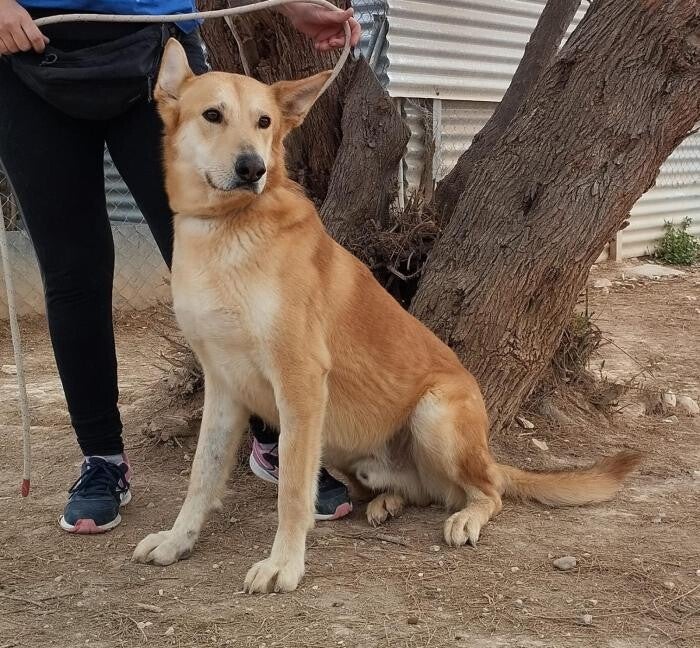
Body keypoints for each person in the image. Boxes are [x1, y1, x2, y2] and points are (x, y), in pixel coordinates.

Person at [0, 0, 360, 533]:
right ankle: (103, 458)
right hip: (27, 50)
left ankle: (270, 435)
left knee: (230, 258)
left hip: (154, 46)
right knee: (72, 273)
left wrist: (289, 4)